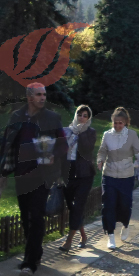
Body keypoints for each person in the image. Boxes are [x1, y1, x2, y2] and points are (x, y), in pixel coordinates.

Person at [0, 83, 67, 276]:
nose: (43, 97)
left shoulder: (52, 118)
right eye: (38, 94)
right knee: (25, 216)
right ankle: (35, 252)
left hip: (43, 175)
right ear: (29, 97)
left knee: (36, 215)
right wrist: (2, 173)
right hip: (22, 174)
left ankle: (29, 264)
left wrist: (54, 155)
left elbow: (63, 145)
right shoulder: (17, 117)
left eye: (44, 94)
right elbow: (7, 146)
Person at [96, 107, 139, 249]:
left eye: (120, 123)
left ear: (125, 122)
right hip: (109, 175)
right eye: (115, 123)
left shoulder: (131, 135)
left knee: (125, 205)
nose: (118, 125)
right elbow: (102, 151)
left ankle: (125, 225)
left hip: (126, 176)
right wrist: (100, 160)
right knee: (108, 205)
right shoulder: (107, 135)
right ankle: (111, 235)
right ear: (112, 122)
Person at [59, 105, 97, 252]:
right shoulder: (67, 130)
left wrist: (79, 133)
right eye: (80, 115)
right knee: (71, 206)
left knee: (78, 206)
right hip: (68, 172)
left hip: (85, 174)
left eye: (85, 116)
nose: (82, 118)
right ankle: (83, 235)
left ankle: (69, 241)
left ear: (89, 118)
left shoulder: (90, 132)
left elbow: (87, 148)